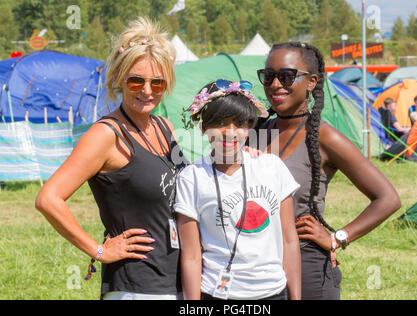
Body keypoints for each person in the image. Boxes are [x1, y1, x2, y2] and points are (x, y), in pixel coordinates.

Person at [35, 17, 187, 300]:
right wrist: (99, 250)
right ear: (119, 79)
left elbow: (187, 183)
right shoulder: (106, 135)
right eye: (136, 81)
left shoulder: (166, 128)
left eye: (157, 83)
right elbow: (48, 198)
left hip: (178, 279)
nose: (146, 90)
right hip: (136, 287)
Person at [255, 42, 401, 300]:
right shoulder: (255, 132)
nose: (276, 84)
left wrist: (338, 237)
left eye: (287, 76)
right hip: (257, 264)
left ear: (311, 82)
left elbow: (387, 199)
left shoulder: (325, 137)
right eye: (269, 76)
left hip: (307, 264)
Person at [175, 79, 302, 300]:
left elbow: (289, 239)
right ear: (204, 128)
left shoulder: (272, 167)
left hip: (272, 292)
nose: (230, 132)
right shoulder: (191, 178)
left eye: (239, 124)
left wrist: (296, 298)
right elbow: (192, 255)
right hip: (216, 294)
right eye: (221, 123)